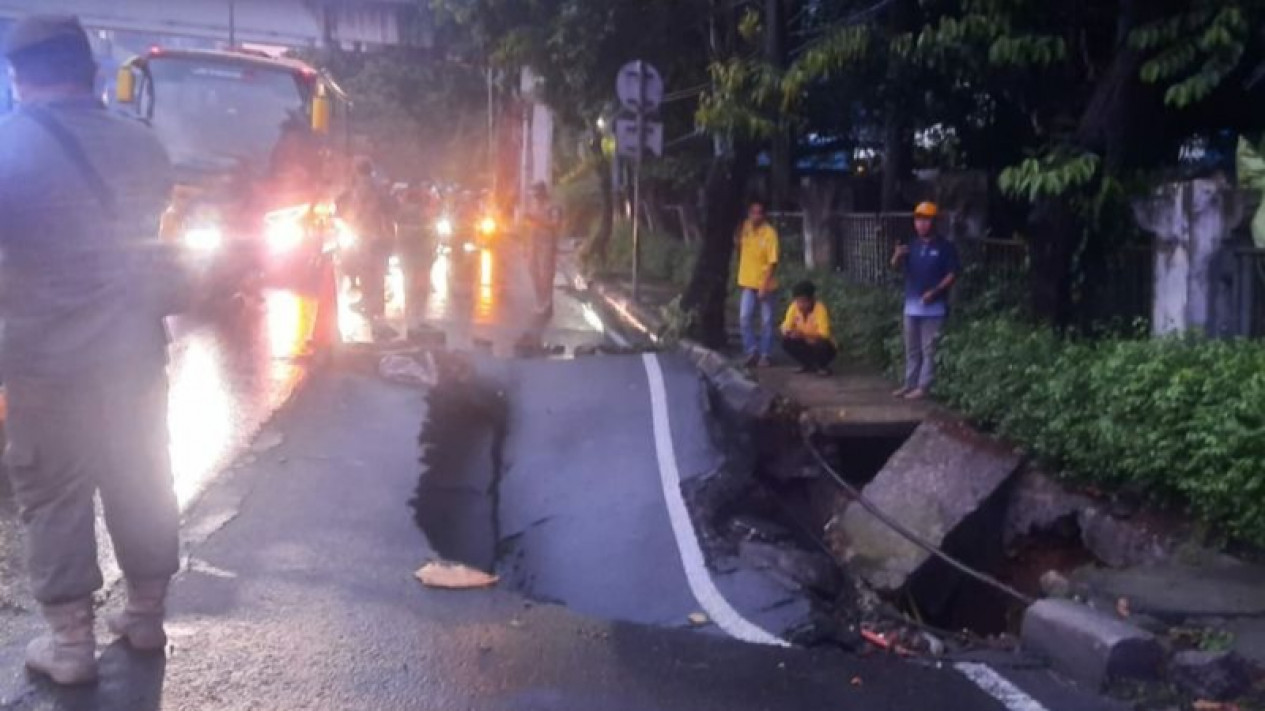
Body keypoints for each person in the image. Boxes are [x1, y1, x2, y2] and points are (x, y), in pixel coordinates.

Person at [0, 15, 180, 684]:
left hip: (46, 361)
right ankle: (145, 613)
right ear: (93, 72)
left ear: (18, 75)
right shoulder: (144, 145)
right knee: (140, 473)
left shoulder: (10, 146)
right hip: (133, 352)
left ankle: (70, 644)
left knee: (52, 488)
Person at [891, 201, 960, 400]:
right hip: (911, 307)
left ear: (934, 222)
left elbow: (953, 274)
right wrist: (896, 256)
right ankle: (909, 384)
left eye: (926, 220)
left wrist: (936, 292)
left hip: (934, 308)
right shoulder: (911, 245)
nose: (922, 224)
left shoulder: (945, 247)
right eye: (919, 220)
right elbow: (895, 267)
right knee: (911, 349)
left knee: (929, 349)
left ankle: (924, 386)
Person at [338, 158, 395, 318]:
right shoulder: (377, 185)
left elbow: (359, 210)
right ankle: (377, 304)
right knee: (378, 270)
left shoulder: (362, 188)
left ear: (357, 170)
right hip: (381, 234)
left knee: (366, 270)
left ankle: (368, 303)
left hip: (367, 233)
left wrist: (349, 220)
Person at [735, 200, 779, 367]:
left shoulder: (769, 234)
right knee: (744, 318)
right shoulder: (745, 228)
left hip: (765, 285)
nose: (756, 216)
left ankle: (765, 354)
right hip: (747, 282)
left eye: (759, 212)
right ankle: (751, 350)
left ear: (764, 215)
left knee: (766, 321)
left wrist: (764, 286)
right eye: (753, 212)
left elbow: (772, 263)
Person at [781, 281, 837, 376]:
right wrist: (789, 332)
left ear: (811, 299)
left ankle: (822, 366)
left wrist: (804, 335)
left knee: (821, 344)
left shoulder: (820, 309)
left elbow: (824, 334)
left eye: (804, 301)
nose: (801, 305)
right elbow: (785, 326)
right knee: (786, 341)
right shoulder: (794, 307)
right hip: (803, 341)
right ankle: (807, 364)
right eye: (798, 301)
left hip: (822, 344)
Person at [524, 181, 562, 316]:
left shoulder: (552, 206)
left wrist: (537, 220)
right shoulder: (534, 205)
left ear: (543, 193)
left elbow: (555, 224)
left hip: (547, 243)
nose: (535, 197)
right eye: (534, 195)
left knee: (546, 274)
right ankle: (540, 299)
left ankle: (546, 303)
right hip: (534, 242)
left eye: (537, 194)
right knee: (532, 270)